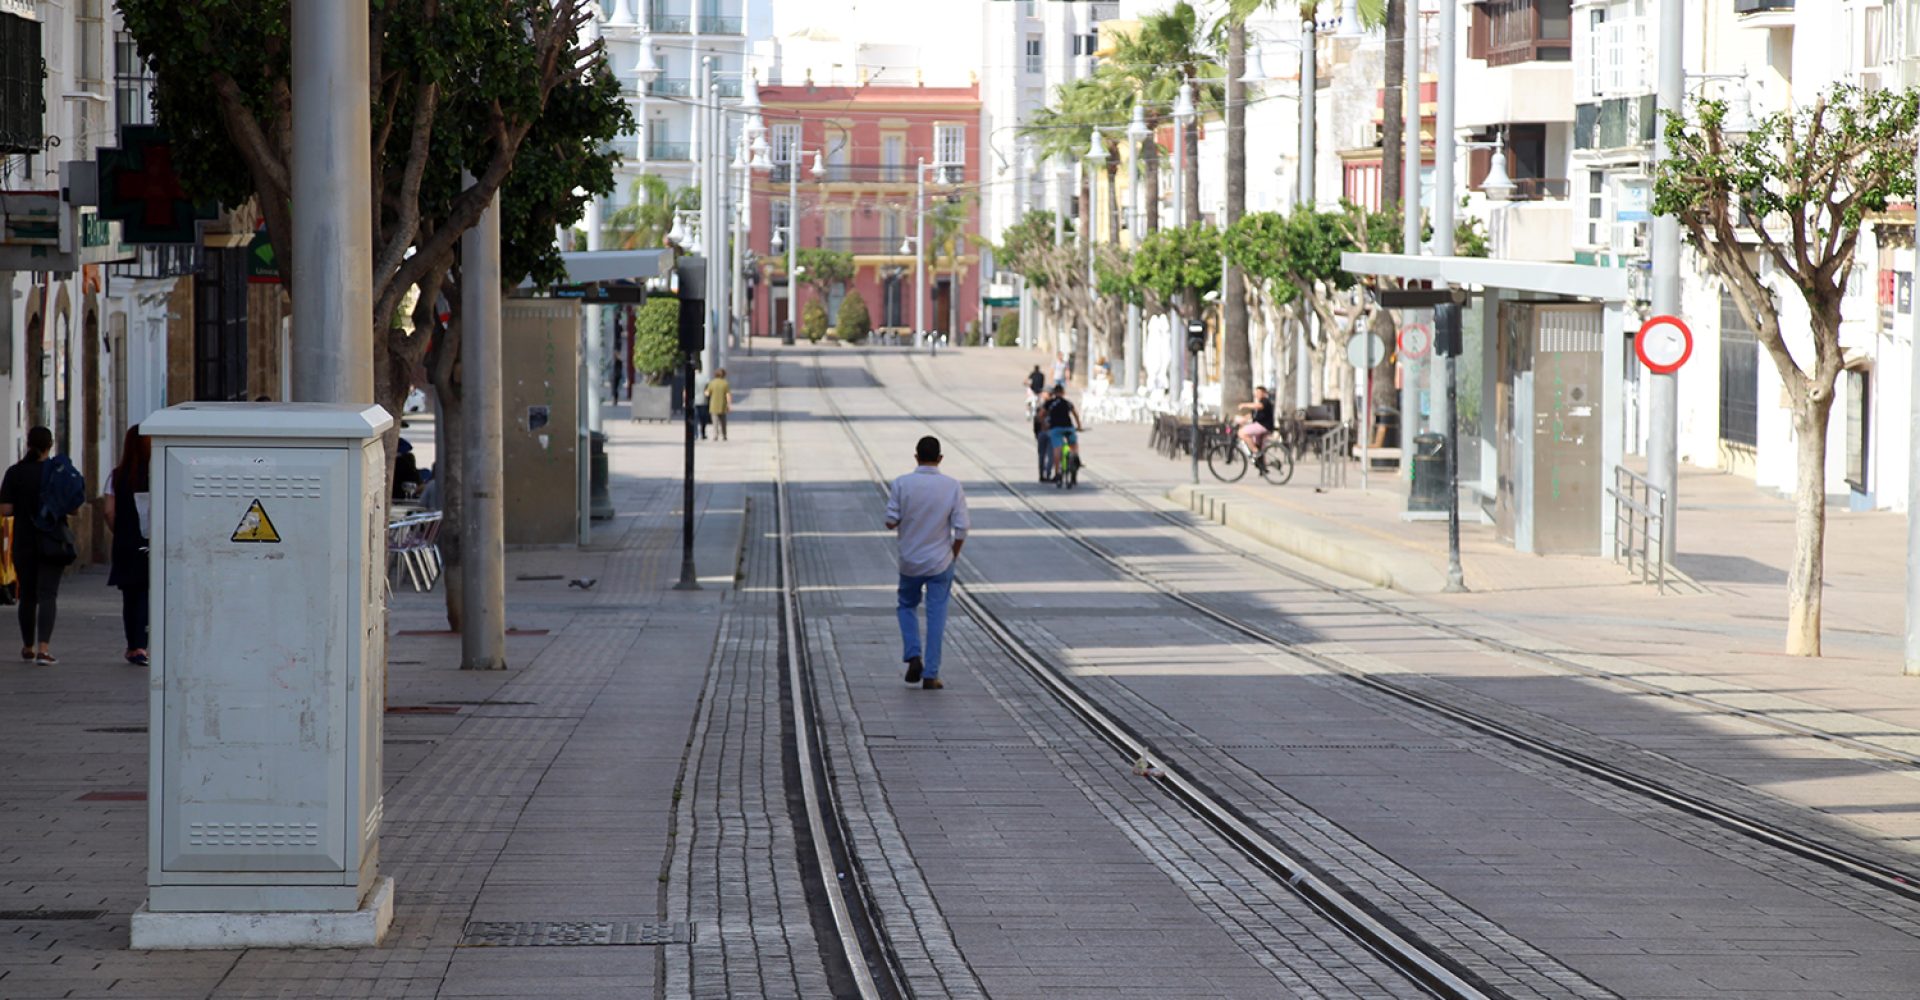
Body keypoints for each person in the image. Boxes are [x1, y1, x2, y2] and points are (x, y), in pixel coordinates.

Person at [885, 435, 969, 691]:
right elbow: (962, 528)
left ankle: (913, 655)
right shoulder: (952, 486)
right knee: (937, 615)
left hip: (910, 561)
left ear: (916, 457)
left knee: (906, 606)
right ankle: (931, 674)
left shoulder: (902, 484)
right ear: (940, 458)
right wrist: (953, 554)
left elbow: (890, 521)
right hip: (940, 562)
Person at [0, 428, 65, 664]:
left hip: (24, 540)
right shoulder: (57, 473)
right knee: (48, 594)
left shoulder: (15, 472)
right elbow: (74, 506)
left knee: (27, 595)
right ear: (50, 445)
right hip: (53, 540)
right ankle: (44, 649)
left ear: (28, 444)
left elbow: (5, 510)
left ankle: (27, 646)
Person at [105, 425, 151, 666]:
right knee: (147, 592)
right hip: (150, 543)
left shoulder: (117, 475)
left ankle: (132, 645)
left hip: (125, 542)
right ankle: (142, 645)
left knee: (129, 595)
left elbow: (108, 511)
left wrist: (121, 531)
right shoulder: (158, 473)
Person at [1043, 383, 1084, 477]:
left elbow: (1041, 415)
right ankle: (1075, 457)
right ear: (1063, 393)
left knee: (1057, 449)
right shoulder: (1068, 403)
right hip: (1069, 427)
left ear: (1054, 393)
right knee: (1073, 444)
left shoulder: (1050, 403)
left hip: (1055, 428)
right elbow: (1076, 415)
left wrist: (1045, 425)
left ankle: (1057, 473)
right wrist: (1079, 426)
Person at [1235, 386, 1277, 451]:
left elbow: (1259, 406)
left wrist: (1244, 405)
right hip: (1263, 427)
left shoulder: (1265, 401)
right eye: (1256, 392)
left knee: (1241, 433)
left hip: (1263, 425)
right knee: (1259, 447)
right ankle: (1260, 458)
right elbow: (1252, 415)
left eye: (1258, 392)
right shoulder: (1259, 404)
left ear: (1264, 393)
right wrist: (1243, 419)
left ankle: (1255, 451)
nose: (1256, 394)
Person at [705, 367, 733, 441]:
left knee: (715, 422)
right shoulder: (725, 383)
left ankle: (715, 435)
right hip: (722, 405)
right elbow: (728, 395)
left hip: (713, 405)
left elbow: (707, 394)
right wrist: (729, 405)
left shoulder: (712, 383)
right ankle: (724, 435)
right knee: (723, 422)